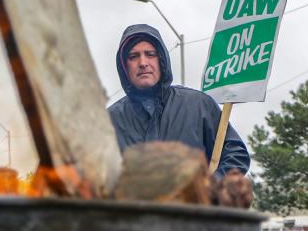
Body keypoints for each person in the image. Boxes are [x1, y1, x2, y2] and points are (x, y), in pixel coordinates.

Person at [107, 24, 250, 177]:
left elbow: (236, 156)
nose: (143, 63)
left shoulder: (198, 106)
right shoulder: (109, 122)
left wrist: (209, 189)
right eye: (133, 56)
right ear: (124, 66)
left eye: (150, 54)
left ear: (161, 59)